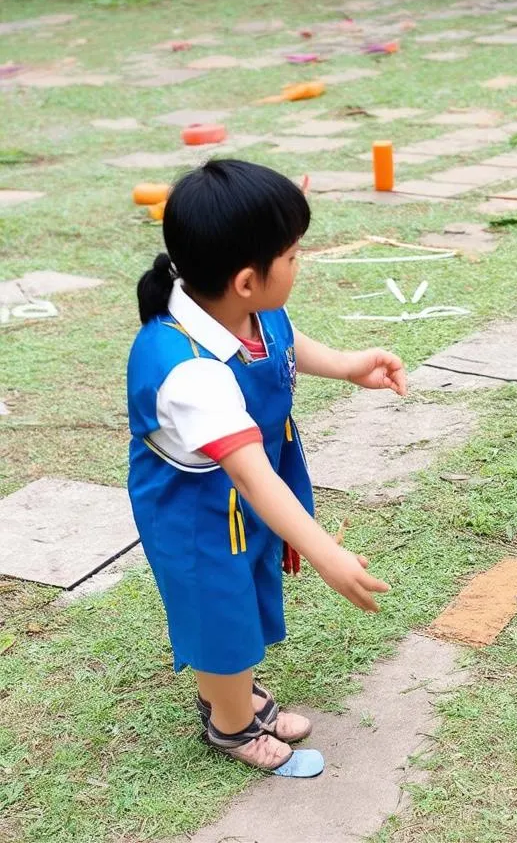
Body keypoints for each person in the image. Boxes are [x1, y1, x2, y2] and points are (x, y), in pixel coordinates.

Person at [127, 159, 406, 775]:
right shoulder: (190, 370)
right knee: (219, 613)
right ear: (248, 279)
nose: (300, 263)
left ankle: (235, 694)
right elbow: (253, 475)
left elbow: (283, 343)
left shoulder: (240, 303)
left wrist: (347, 364)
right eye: (294, 254)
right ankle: (229, 724)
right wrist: (329, 555)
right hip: (197, 511)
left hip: (243, 494)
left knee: (247, 596)